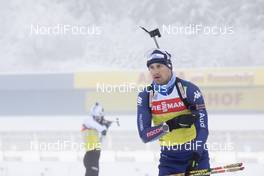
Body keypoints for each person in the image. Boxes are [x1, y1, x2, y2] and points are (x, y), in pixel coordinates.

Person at [137, 49, 210, 176]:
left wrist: (196, 156)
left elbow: (203, 128)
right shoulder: (146, 96)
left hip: (195, 154)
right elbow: (145, 135)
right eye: (151, 67)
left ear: (169, 66)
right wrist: (171, 124)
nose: (155, 71)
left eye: (159, 66)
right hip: (169, 159)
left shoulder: (189, 90)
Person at [81, 102, 112, 176]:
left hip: (95, 156)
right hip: (91, 155)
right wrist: (104, 127)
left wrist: (106, 129)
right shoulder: (88, 121)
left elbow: (100, 143)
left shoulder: (94, 128)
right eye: (98, 117)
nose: (99, 119)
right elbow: (98, 127)